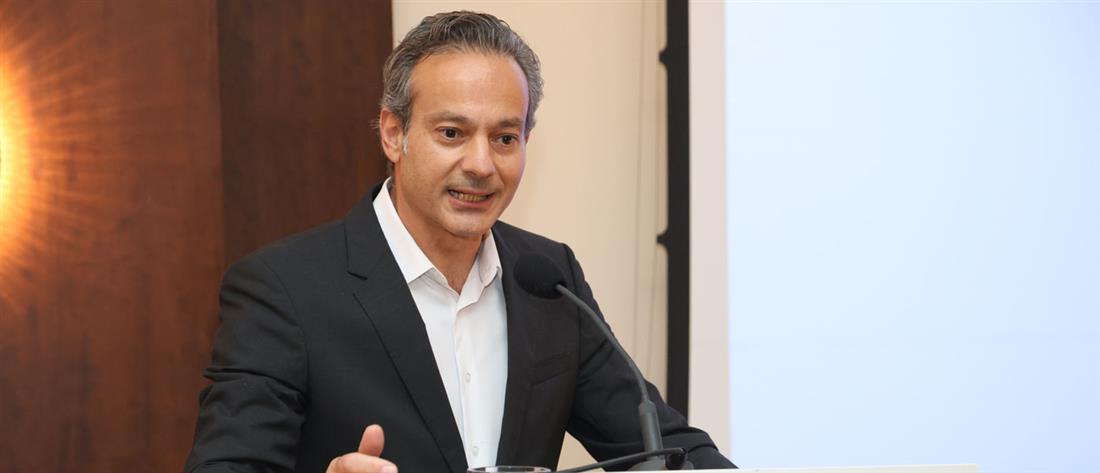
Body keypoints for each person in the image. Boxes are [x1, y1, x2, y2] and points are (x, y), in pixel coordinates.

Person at [184, 11, 734, 473]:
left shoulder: (548, 278)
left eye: (505, 138)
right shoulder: (284, 290)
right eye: (452, 133)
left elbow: (667, 450)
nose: (481, 164)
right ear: (393, 133)